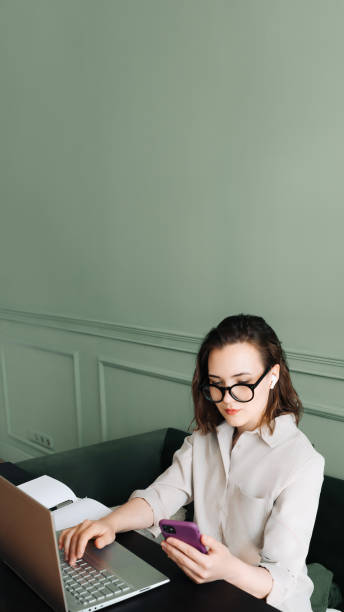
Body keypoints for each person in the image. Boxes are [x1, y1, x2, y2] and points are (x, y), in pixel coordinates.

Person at [59, 313, 325, 612]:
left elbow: (282, 581)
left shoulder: (302, 463)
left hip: (262, 602)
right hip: (205, 589)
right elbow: (160, 496)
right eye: (216, 384)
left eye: (242, 383)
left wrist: (226, 569)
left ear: (273, 376)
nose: (228, 400)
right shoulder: (205, 439)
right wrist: (108, 522)